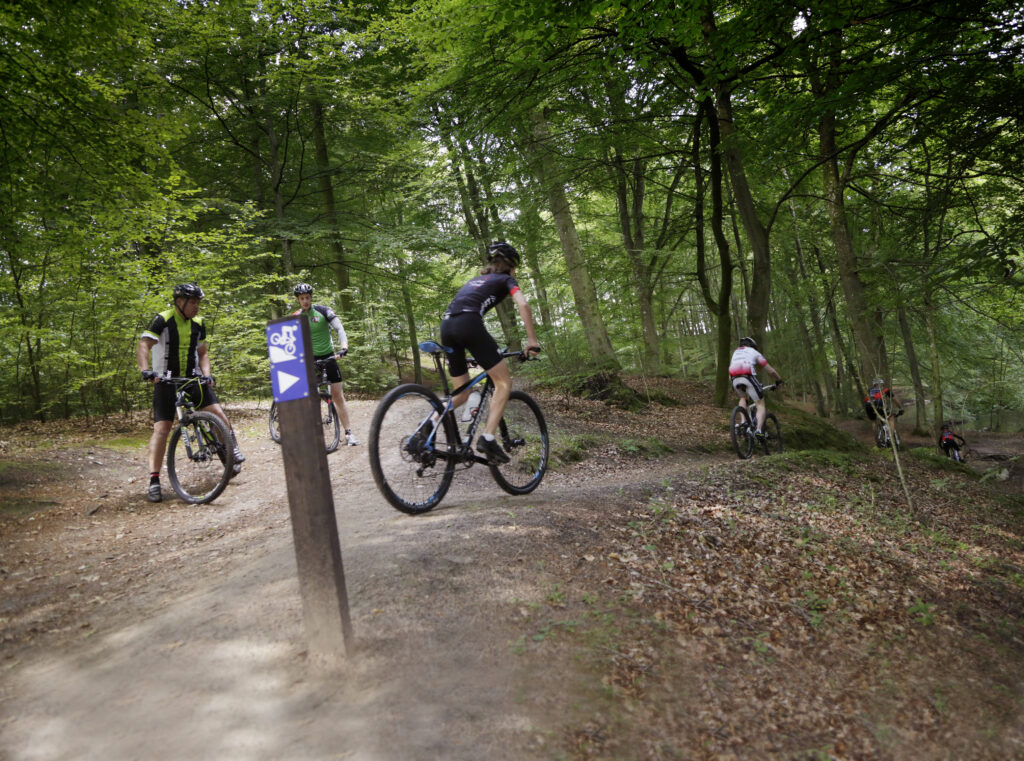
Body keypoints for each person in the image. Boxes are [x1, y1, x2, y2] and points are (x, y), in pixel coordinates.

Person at [137, 284, 245, 503]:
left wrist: (208, 374)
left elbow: (203, 353)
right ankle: (154, 480)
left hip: (193, 378)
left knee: (218, 415)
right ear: (180, 302)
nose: (196, 306)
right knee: (162, 429)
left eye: (198, 302)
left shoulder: (198, 323)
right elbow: (144, 344)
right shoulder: (163, 319)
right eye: (193, 302)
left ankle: (229, 452)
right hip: (165, 380)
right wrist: (146, 371)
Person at [440, 241, 541, 464]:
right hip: (469, 323)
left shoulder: (474, 280)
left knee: (461, 393)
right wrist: (531, 341)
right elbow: (523, 305)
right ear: (510, 266)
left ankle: (429, 424)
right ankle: (487, 437)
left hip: (446, 326)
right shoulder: (506, 279)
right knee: (503, 382)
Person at [291, 283, 358, 446]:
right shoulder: (296, 316)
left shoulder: (323, 311)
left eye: (307, 298)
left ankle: (349, 433)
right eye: (302, 298)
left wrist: (344, 347)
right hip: (311, 360)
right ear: (298, 300)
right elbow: (291, 339)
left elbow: (339, 328)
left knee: (337, 395)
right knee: (309, 397)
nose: (305, 301)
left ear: (311, 297)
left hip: (329, 357)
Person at [728, 336, 783, 435]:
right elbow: (770, 371)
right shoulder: (754, 352)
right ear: (753, 346)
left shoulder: (735, 352)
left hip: (734, 378)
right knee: (760, 404)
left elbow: (731, 369)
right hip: (748, 376)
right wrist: (779, 379)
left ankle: (743, 422)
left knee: (743, 397)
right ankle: (758, 430)